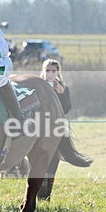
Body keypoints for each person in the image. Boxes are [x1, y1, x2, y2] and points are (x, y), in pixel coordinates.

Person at [37, 59, 72, 200]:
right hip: (38, 129)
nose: (50, 74)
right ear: (43, 71)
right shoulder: (36, 86)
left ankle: (46, 196)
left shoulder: (63, 87)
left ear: (58, 72)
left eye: (53, 71)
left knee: (53, 161)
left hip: (56, 129)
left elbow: (67, 109)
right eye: (47, 70)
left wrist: (61, 94)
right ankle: (35, 193)